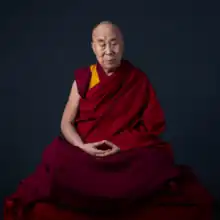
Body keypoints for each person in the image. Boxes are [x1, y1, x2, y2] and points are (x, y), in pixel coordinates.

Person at [4, 21, 213, 220]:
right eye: (102, 43)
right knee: (56, 157)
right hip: (86, 151)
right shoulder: (84, 78)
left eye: (114, 42)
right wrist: (82, 147)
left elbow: (153, 126)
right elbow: (66, 122)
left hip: (125, 152)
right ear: (93, 47)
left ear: (122, 45)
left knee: (158, 160)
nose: (108, 50)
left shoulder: (137, 79)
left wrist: (121, 146)